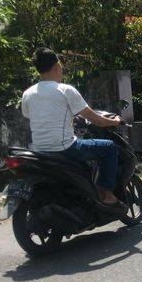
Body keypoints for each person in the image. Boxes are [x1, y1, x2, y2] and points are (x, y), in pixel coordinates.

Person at [21, 47, 123, 206]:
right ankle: (107, 194)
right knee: (110, 147)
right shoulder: (65, 90)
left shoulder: (28, 93)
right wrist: (115, 121)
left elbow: (29, 115)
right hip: (66, 148)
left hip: (40, 150)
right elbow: (97, 120)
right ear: (56, 67)